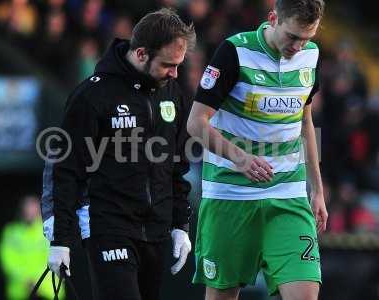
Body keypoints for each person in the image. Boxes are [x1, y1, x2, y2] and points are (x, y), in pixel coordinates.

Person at [41, 8, 196, 300]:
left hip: (156, 230)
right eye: (168, 65)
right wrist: (60, 239)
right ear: (140, 54)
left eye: (178, 65)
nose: (175, 73)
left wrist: (180, 224)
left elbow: (176, 163)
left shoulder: (172, 93)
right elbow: (66, 169)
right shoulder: (92, 96)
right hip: (107, 224)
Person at [187, 1, 328, 299]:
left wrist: (317, 189)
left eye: (307, 39)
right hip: (230, 194)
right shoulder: (234, 52)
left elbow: (305, 119)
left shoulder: (310, 56)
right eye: (292, 36)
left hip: (287, 194)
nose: (298, 47)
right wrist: (241, 159)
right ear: (273, 18)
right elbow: (196, 123)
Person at [0, 195, 62, 300]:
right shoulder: (11, 232)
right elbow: (8, 260)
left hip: (48, 291)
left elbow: (57, 259)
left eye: (33, 207)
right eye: (27, 207)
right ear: (21, 210)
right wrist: (26, 280)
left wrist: (36, 281)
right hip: (20, 291)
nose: (30, 211)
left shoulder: (50, 230)